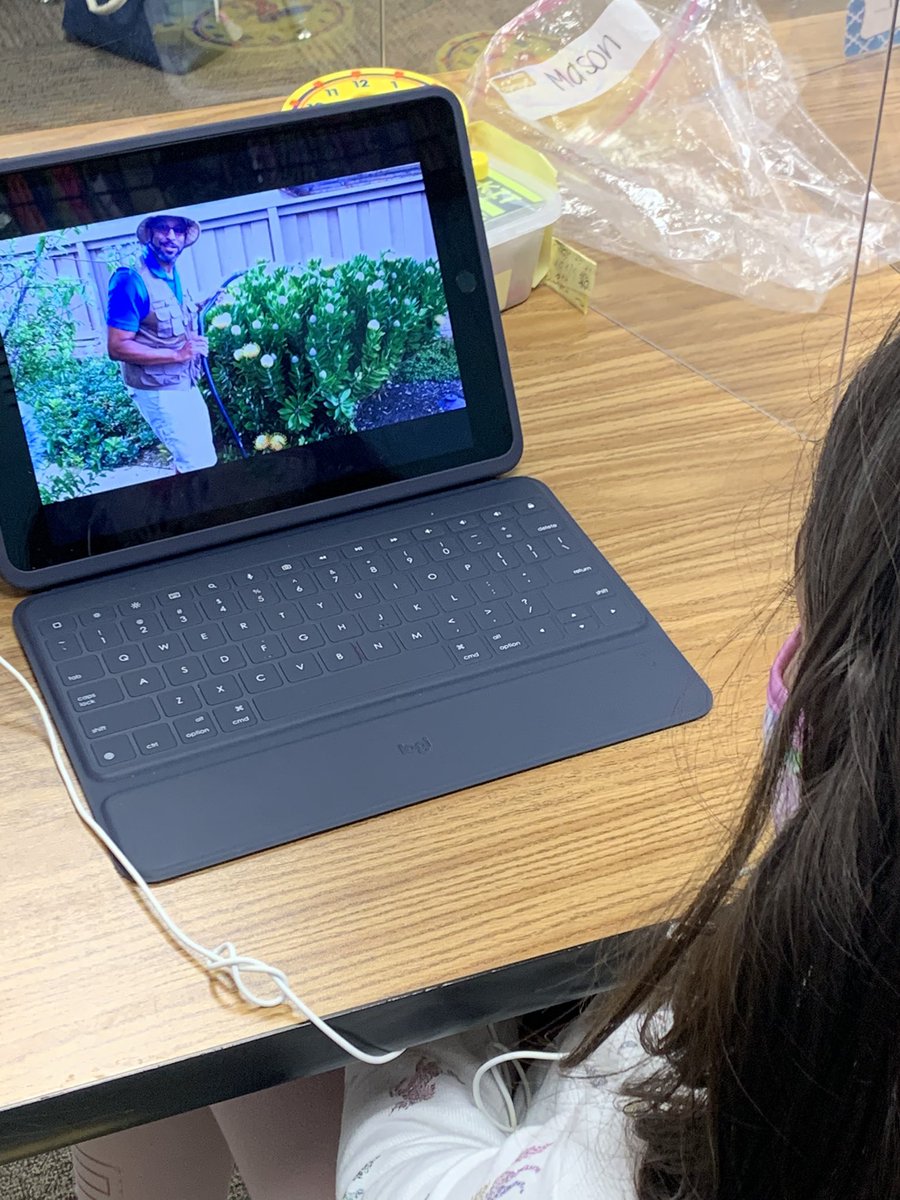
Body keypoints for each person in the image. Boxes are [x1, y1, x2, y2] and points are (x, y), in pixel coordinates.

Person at [73, 321, 900, 1199]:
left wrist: (393, 946)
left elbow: (400, 1177)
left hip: (465, 1146)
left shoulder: (725, 1116)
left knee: (184, 999)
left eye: (806, 650)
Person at [335, 319, 900, 1198]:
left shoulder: (674, 1138)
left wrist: (416, 980)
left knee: (225, 1076)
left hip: (507, 1136)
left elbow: (393, 1178)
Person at [107, 213, 218, 474]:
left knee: (199, 458)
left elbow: (165, 316)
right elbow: (117, 347)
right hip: (157, 388)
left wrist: (205, 301)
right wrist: (178, 354)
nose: (171, 236)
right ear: (150, 234)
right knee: (198, 464)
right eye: (163, 228)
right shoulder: (129, 280)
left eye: (178, 230)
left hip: (183, 382)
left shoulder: (172, 274)